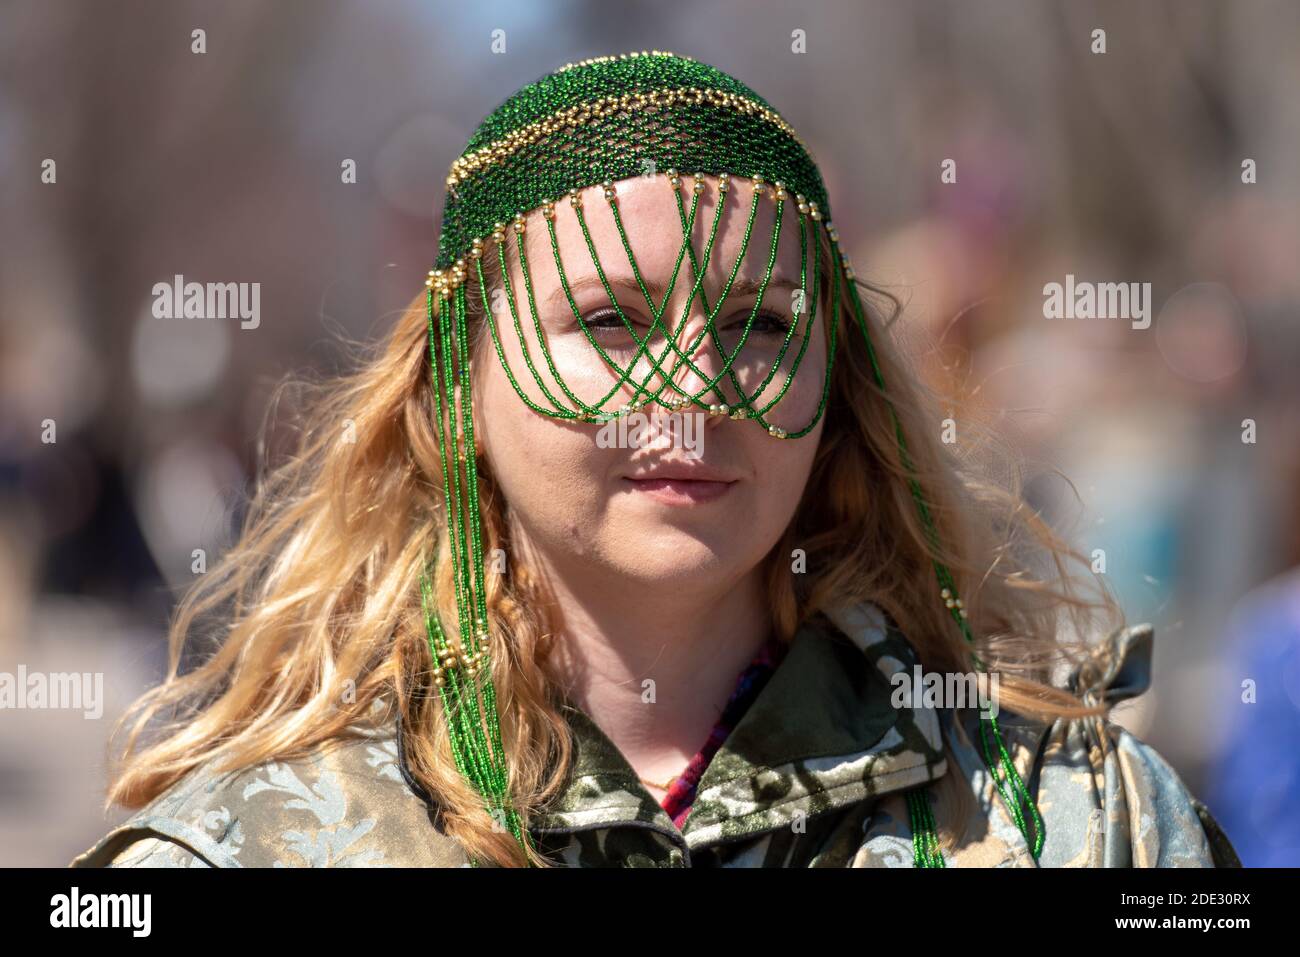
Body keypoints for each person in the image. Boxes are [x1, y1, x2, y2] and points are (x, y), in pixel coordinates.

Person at [70, 51, 1238, 868]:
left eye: (763, 326)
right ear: (457, 386)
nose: (691, 390)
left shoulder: (1081, 823)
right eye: (613, 321)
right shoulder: (250, 852)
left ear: (837, 395)